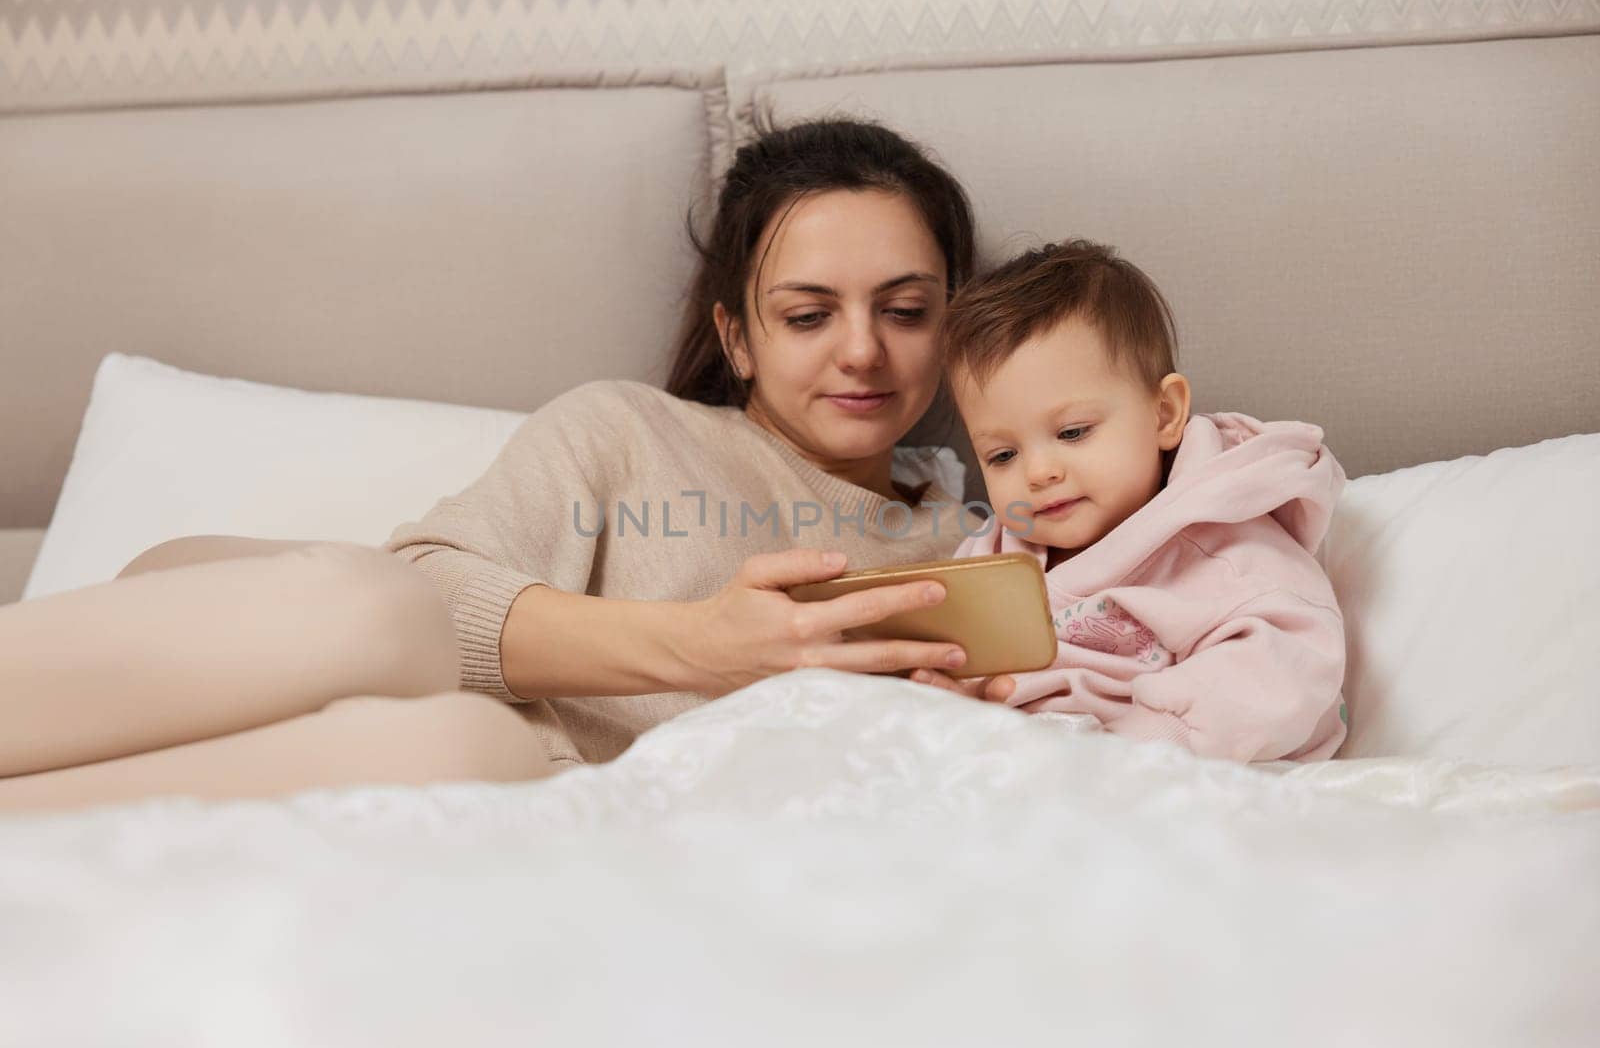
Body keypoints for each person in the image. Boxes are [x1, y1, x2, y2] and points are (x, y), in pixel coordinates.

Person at [0, 118, 980, 811]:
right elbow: (429, 593)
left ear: (949, 324)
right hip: (249, 642)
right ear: (737, 335)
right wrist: (700, 644)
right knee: (383, 607)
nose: (861, 351)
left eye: (904, 310)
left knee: (475, 760)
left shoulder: (974, 542)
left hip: (487, 770)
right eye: (808, 314)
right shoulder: (630, 430)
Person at [911, 239, 1348, 762]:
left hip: (1177, 770)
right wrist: (958, 703)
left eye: (1072, 433)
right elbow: (961, 664)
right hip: (1026, 769)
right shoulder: (992, 555)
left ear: (1164, 414)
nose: (1039, 472)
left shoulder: (1224, 550)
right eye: (1003, 455)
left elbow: (1283, 674)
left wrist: (1143, 751)